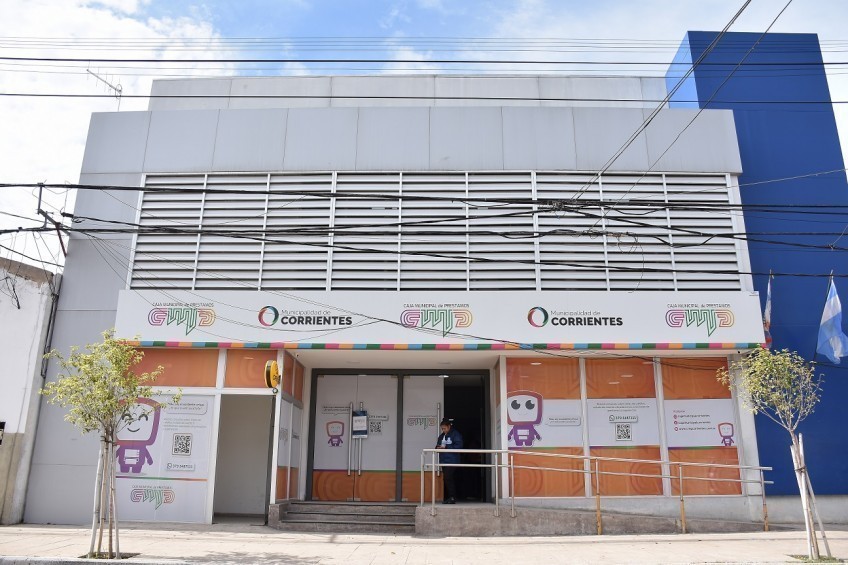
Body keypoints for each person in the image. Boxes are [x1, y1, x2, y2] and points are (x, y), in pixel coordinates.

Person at [435, 417, 463, 504]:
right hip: (444, 461)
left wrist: (446, 447)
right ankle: (450, 497)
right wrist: (437, 447)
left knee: (448, 478)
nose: (443, 430)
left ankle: (452, 497)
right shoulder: (441, 436)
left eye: (444, 428)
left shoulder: (455, 434)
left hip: (452, 460)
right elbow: (438, 445)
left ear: (449, 426)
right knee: (447, 479)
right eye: (442, 429)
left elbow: (459, 446)